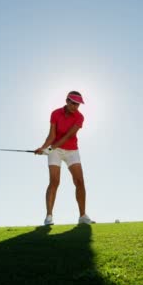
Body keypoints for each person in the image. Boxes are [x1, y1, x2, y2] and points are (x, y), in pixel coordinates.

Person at [34, 91, 95, 225]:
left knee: (79, 181)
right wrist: (43, 148)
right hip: (55, 150)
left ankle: (82, 216)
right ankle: (49, 217)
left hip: (72, 150)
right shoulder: (55, 113)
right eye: (73, 103)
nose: (75, 106)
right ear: (67, 101)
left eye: (78, 104)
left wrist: (48, 149)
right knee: (54, 181)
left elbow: (67, 136)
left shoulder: (80, 117)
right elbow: (51, 135)